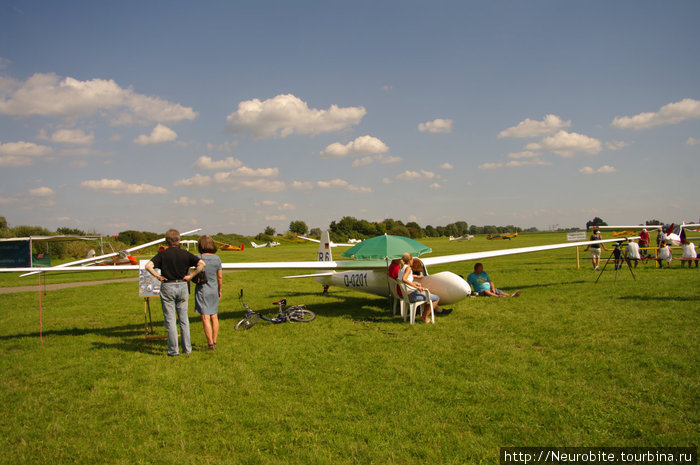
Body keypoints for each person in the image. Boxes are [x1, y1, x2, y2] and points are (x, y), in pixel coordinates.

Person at [145, 229, 205, 356]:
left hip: (168, 286)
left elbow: (148, 266)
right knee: (184, 319)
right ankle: (187, 349)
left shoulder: (162, 254)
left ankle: (173, 350)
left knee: (170, 320)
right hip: (183, 286)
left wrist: (157, 276)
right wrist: (191, 276)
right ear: (179, 240)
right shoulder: (185, 253)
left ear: (167, 241)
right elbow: (201, 264)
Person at [194, 235, 223, 350]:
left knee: (205, 317)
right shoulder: (217, 259)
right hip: (214, 289)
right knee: (214, 316)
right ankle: (215, 341)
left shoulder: (198, 258)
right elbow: (219, 277)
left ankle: (210, 344)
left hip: (202, 290)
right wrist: (219, 290)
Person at [400, 252, 439, 323]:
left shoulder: (401, 268)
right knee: (436, 298)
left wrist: (415, 280)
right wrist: (416, 287)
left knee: (427, 294)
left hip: (406, 294)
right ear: (410, 260)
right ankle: (424, 317)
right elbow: (404, 279)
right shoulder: (408, 268)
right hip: (412, 295)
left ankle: (424, 314)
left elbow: (404, 280)